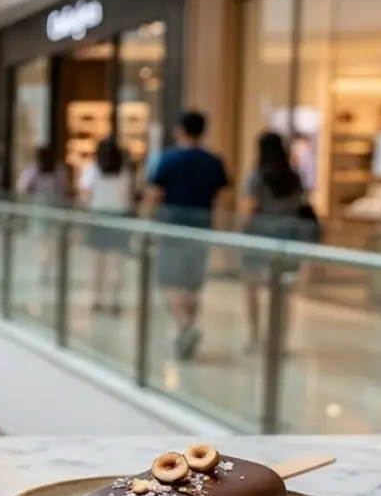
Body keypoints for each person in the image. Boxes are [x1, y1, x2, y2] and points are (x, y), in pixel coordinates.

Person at [141, 110, 230, 360]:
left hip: (172, 227)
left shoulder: (168, 159)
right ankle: (186, 329)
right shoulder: (214, 161)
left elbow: (153, 194)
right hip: (202, 227)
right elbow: (223, 198)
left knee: (171, 282)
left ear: (180, 129)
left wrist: (145, 222)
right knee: (192, 283)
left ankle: (185, 326)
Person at [240, 131, 316, 353]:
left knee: (252, 287)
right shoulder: (294, 177)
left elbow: (250, 209)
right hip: (288, 237)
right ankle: (280, 342)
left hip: (259, 236)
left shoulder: (257, 177)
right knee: (283, 293)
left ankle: (255, 337)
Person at [79, 137, 132, 315]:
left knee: (97, 262)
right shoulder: (124, 172)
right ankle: (116, 299)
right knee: (117, 262)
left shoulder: (92, 170)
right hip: (119, 218)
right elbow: (128, 197)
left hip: (98, 217)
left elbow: (85, 195)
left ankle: (97, 299)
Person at [18, 145, 70, 274]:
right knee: (51, 238)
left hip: (39, 208)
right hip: (55, 208)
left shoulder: (32, 170)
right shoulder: (60, 170)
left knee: (41, 238)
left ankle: (43, 262)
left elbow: (23, 188)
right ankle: (47, 260)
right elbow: (64, 190)